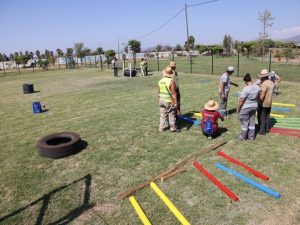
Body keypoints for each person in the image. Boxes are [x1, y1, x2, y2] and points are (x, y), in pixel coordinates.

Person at [237, 73, 260, 141]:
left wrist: (238, 108)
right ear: (250, 79)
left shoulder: (246, 89)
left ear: (245, 81)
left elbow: (242, 100)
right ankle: (251, 137)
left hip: (246, 108)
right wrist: (256, 104)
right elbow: (258, 97)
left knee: (244, 123)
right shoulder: (257, 87)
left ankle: (243, 137)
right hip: (254, 107)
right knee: (252, 122)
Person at [158, 66, 180, 132]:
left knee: (162, 114)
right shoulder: (171, 81)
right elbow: (173, 93)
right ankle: (173, 128)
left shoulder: (160, 81)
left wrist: (159, 98)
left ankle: (161, 128)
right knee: (171, 114)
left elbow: (159, 91)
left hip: (161, 100)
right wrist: (176, 102)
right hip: (168, 100)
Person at [257, 69, 274, 135]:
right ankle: (267, 129)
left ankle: (261, 131)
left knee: (261, 117)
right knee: (267, 116)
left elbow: (263, 94)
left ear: (263, 77)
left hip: (263, 103)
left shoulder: (264, 83)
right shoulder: (271, 82)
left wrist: (259, 102)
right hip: (269, 102)